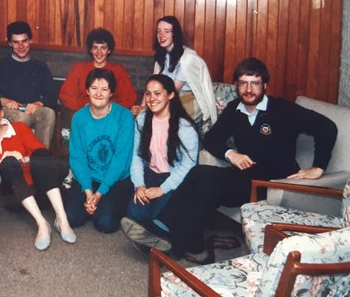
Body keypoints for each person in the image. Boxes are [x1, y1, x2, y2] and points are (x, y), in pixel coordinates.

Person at [121, 57, 338, 264]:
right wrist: (230, 154)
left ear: (265, 86)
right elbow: (212, 139)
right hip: (243, 177)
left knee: (208, 182)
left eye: (255, 83)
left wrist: (318, 167)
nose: (249, 89)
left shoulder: (283, 110)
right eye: (243, 83)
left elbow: (327, 127)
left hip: (272, 183)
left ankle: (175, 245)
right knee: (200, 173)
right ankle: (169, 230)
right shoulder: (235, 109)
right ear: (236, 85)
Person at [0, 95, 76, 250]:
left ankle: (62, 219)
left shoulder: (19, 128)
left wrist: (25, 159)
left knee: (42, 157)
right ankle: (42, 224)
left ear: (2, 113)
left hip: (39, 190)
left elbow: (41, 152)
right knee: (8, 163)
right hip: (14, 197)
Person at [64, 68, 134, 233]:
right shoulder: (79, 118)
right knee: (71, 218)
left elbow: (120, 159)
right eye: (94, 88)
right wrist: (89, 192)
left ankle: (107, 206)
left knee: (105, 223)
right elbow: (78, 158)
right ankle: (93, 205)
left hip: (116, 179)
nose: (99, 93)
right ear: (87, 91)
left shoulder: (124, 116)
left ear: (111, 93)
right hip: (89, 177)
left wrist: (100, 193)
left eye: (104, 89)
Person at [125, 74, 199, 228]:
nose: (152, 98)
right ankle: (150, 231)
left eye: (157, 93)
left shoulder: (184, 127)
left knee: (160, 218)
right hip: (150, 175)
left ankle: (157, 233)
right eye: (148, 93)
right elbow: (136, 156)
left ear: (171, 95)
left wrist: (162, 190)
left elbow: (189, 165)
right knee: (135, 212)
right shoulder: (141, 119)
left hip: (174, 177)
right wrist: (139, 184)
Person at [0, 21, 57, 148]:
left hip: (32, 109)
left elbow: (52, 95)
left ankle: (41, 158)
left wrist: (38, 103)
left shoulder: (40, 66)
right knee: (21, 119)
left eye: (24, 41)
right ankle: (19, 159)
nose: (21, 46)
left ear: (30, 40)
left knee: (48, 113)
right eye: (16, 42)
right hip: (8, 110)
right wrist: (2, 101)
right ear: (9, 43)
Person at [59, 28, 139, 128]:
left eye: (103, 48)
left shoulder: (118, 70)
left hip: (111, 116)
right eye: (95, 47)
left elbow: (130, 97)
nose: (99, 52)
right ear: (90, 50)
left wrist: (110, 108)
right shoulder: (79, 68)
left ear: (109, 50)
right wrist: (85, 106)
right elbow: (65, 95)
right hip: (85, 115)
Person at [152, 16, 216, 127]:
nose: (161, 35)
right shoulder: (162, 56)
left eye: (166, 31)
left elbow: (173, 90)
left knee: (165, 121)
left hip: (189, 100)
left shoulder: (187, 59)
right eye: (158, 31)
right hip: (168, 97)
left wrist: (152, 106)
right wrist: (142, 106)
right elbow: (153, 84)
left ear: (174, 34)